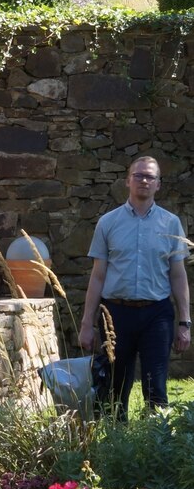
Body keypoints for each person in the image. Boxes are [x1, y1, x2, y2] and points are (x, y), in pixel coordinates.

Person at [78, 156, 191, 419]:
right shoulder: (108, 223)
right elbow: (97, 277)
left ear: (158, 184)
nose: (144, 180)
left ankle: (155, 446)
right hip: (115, 315)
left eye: (150, 176)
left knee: (156, 388)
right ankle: (116, 447)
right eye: (138, 175)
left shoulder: (171, 223)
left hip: (157, 315)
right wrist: (87, 323)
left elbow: (178, 275)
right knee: (115, 389)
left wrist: (185, 323)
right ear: (128, 180)